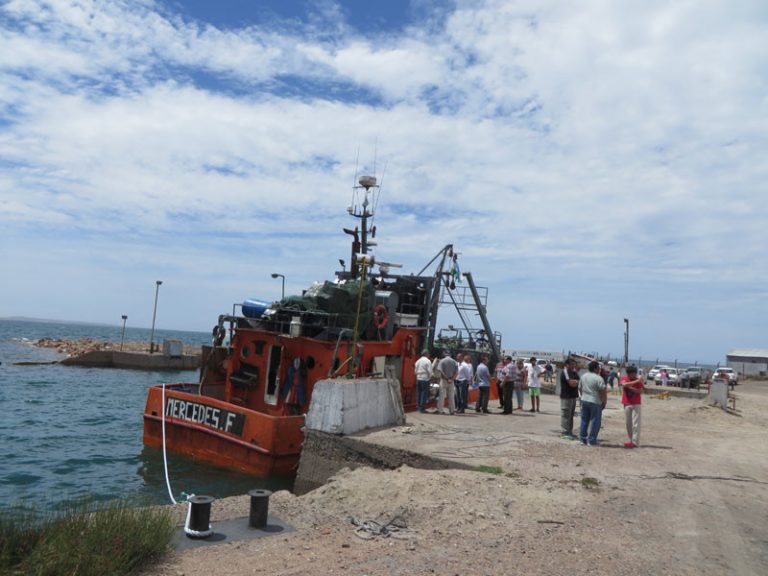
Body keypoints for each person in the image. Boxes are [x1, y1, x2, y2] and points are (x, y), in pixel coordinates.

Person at [578, 360, 607, 446]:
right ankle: (592, 440)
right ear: (595, 368)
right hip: (595, 401)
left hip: (584, 399)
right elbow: (603, 391)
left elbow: (580, 388)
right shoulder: (598, 378)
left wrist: (582, 397)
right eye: (598, 368)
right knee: (595, 421)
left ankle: (582, 439)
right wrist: (604, 401)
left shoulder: (583, 376)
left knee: (584, 420)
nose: (599, 369)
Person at [620, 365, 645, 448]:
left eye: (635, 373)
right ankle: (631, 440)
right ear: (628, 374)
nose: (634, 375)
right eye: (632, 374)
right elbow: (624, 384)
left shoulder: (639, 380)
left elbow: (640, 391)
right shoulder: (624, 378)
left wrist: (630, 387)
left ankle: (635, 442)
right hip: (627, 403)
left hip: (636, 403)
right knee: (628, 423)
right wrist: (636, 381)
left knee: (636, 423)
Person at [559, 357, 580, 439]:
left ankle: (569, 431)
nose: (573, 366)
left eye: (574, 364)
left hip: (573, 396)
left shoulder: (574, 372)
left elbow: (577, 381)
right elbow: (571, 383)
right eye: (572, 364)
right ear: (567, 365)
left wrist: (575, 382)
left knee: (571, 415)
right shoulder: (565, 372)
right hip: (566, 397)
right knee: (566, 414)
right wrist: (574, 382)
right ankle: (564, 432)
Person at [435, 350, 458, 415]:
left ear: (444, 354)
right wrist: (451, 379)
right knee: (451, 396)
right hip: (451, 381)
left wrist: (447, 379)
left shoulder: (442, 361)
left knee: (442, 395)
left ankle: (440, 410)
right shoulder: (454, 362)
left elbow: (441, 371)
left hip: (444, 380)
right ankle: (452, 410)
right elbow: (456, 373)